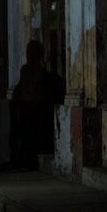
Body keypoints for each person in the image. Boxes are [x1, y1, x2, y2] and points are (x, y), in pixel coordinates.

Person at [9, 40, 64, 168]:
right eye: (28, 53)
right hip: (26, 117)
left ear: (38, 55)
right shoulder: (26, 71)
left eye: (32, 53)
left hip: (37, 118)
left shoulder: (43, 76)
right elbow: (20, 92)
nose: (29, 56)